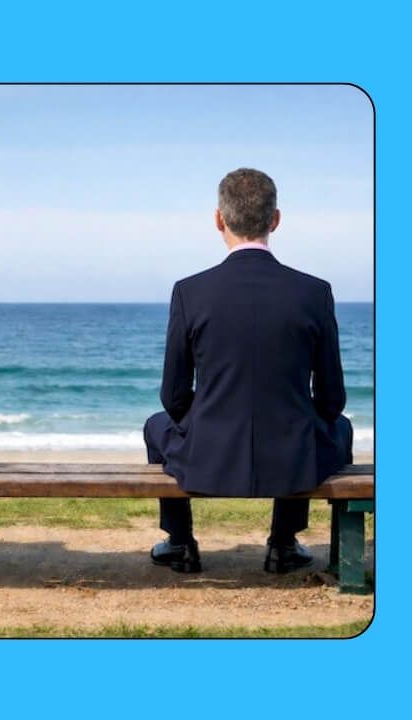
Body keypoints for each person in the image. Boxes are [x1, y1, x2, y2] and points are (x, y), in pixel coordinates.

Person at [144, 168, 354, 574]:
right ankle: (283, 543)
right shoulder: (315, 292)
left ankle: (181, 542)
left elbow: (172, 397)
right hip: (292, 458)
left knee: (156, 425)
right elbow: (332, 399)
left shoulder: (190, 291)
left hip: (209, 457)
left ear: (219, 219)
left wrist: (209, 426)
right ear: (275, 220)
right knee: (338, 426)